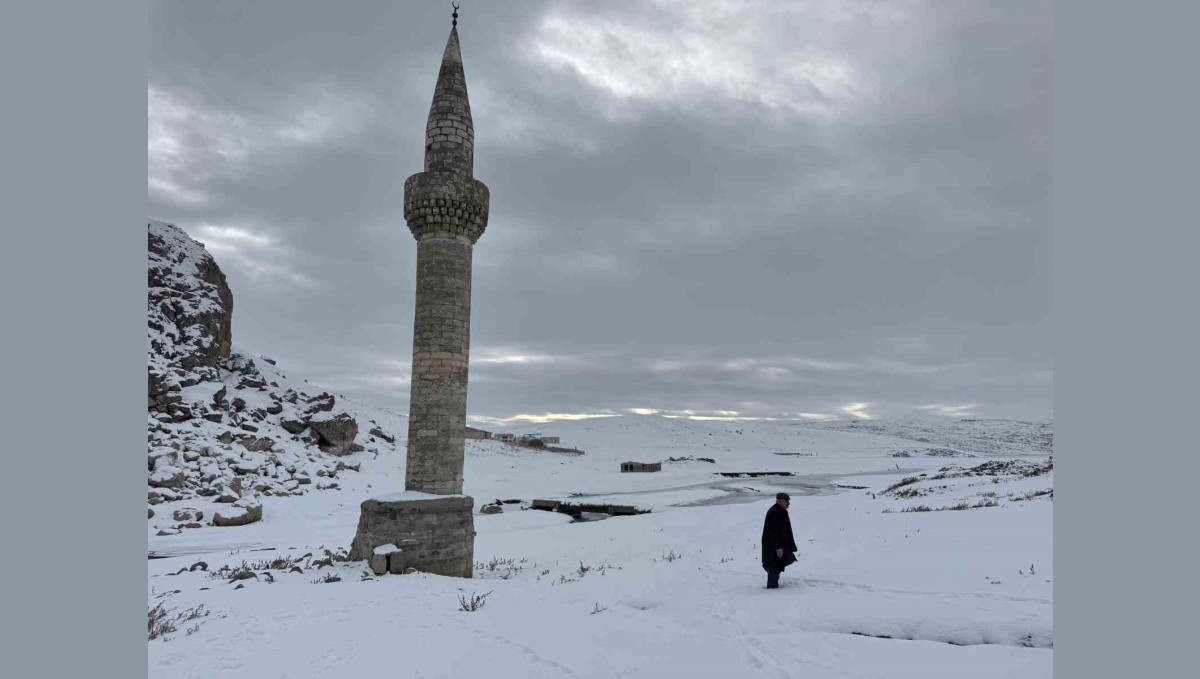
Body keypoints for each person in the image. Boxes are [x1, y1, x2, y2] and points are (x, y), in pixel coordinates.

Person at [761, 492, 798, 589]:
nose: (788, 503)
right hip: (773, 546)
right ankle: (772, 589)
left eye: (788, 501)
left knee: (785, 560)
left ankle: (772, 580)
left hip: (780, 544)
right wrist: (778, 547)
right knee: (773, 566)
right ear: (780, 501)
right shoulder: (774, 512)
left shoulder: (780, 510)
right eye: (787, 501)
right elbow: (772, 532)